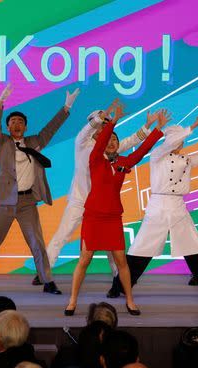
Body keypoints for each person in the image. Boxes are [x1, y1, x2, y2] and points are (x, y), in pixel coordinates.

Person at [108, 106, 198, 298]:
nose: (180, 142)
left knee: (195, 248)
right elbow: (169, 144)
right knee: (140, 249)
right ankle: (118, 287)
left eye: (182, 139)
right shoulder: (157, 155)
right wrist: (193, 125)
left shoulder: (186, 159)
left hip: (178, 208)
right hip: (158, 207)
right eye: (178, 138)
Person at [0, 83, 78, 295]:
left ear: (25, 126)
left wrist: (66, 108)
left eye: (20, 122)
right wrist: (0, 103)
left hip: (27, 202)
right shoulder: (0, 142)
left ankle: (47, 281)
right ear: (8, 126)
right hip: (3, 201)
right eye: (13, 122)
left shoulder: (34, 142)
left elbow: (51, 129)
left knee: (37, 243)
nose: (17, 124)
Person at [64, 104, 163, 316]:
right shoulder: (95, 160)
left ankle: (129, 300)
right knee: (84, 260)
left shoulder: (124, 162)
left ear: (118, 145)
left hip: (112, 219)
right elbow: (100, 142)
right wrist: (114, 121)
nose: (111, 142)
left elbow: (143, 151)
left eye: (115, 140)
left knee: (121, 262)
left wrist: (158, 129)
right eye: (108, 140)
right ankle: (72, 300)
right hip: (93, 217)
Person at [46, 98, 156, 273]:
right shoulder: (82, 143)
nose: (104, 127)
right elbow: (87, 130)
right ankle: (45, 272)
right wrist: (103, 115)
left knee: (110, 244)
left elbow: (132, 140)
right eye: (101, 123)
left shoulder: (110, 147)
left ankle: (117, 278)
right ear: (93, 125)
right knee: (62, 235)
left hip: (100, 205)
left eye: (107, 124)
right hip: (79, 200)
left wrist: (147, 125)